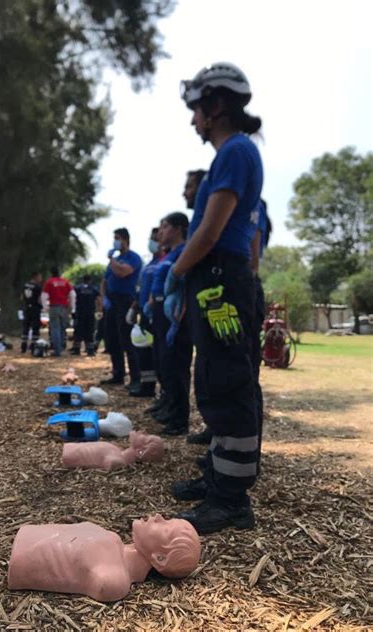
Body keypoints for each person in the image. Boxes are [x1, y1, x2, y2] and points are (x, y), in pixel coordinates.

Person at [166, 62, 264, 534]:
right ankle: (217, 476)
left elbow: (210, 231)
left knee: (226, 379)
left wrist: (176, 270)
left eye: (196, 110)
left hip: (220, 280)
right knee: (214, 374)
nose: (192, 121)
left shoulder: (235, 152)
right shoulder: (235, 153)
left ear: (215, 105)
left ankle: (231, 500)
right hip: (217, 280)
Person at [8, 515, 200, 602]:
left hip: (20, 561)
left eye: (166, 528)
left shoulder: (115, 578)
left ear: (159, 558)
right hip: (27, 543)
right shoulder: (114, 544)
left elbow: (104, 586)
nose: (158, 516)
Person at [147, 212, 192, 436]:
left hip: (176, 315)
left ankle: (179, 419)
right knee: (165, 363)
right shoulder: (170, 254)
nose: (160, 232)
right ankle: (170, 407)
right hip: (162, 313)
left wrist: (178, 319)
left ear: (177, 228)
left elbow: (184, 286)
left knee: (177, 366)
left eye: (164, 227)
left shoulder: (185, 252)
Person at [101, 228, 142, 387]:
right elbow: (105, 280)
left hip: (125, 300)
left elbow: (122, 273)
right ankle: (118, 374)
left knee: (126, 339)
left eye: (117, 238)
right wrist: (104, 297)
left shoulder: (133, 258)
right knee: (111, 339)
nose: (115, 241)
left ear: (125, 239)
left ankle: (135, 378)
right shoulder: (115, 259)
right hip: (111, 301)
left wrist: (111, 258)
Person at [126, 227, 164, 397]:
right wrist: (134, 307)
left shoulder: (165, 261)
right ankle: (147, 386)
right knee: (145, 352)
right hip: (144, 311)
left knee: (160, 354)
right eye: (152, 238)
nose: (154, 242)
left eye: (156, 238)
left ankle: (165, 392)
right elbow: (141, 289)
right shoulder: (148, 264)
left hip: (159, 312)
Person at [250, 198, 272, 473]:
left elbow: (252, 255)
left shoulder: (254, 206)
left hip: (243, 290)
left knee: (243, 378)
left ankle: (248, 456)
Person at [42, 266, 73, 357]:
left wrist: (45, 307)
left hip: (54, 306)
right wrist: (71, 306)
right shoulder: (65, 282)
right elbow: (72, 295)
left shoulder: (49, 282)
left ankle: (57, 350)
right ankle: (62, 346)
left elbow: (44, 295)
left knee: (55, 328)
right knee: (63, 327)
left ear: (51, 273)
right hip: (64, 306)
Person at [71, 274, 100, 357]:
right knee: (90, 330)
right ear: (90, 280)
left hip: (79, 312)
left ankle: (76, 349)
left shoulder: (77, 288)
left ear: (82, 280)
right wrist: (99, 310)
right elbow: (98, 300)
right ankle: (90, 350)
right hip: (90, 312)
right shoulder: (94, 288)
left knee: (78, 330)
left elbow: (73, 298)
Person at [20, 272, 42, 353]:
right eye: (39, 277)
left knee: (26, 327)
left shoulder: (24, 285)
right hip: (35, 309)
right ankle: (33, 346)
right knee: (35, 328)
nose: (40, 279)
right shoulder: (38, 287)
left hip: (26, 308)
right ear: (35, 277)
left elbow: (22, 297)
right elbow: (39, 300)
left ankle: (23, 346)